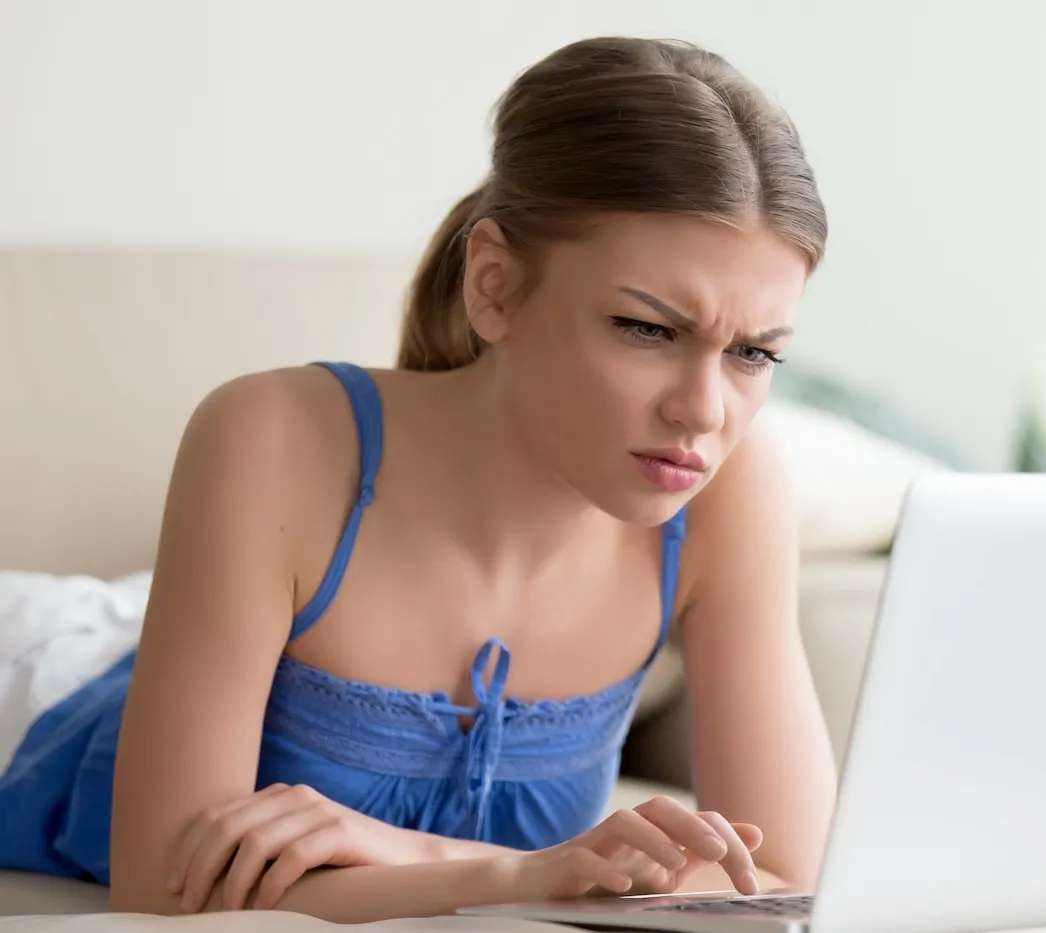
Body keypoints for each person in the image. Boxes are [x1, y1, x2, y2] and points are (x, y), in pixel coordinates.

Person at [0, 35, 837, 923]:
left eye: (752, 352)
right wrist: (521, 874)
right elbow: (163, 885)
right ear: (495, 285)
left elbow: (791, 873)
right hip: (41, 667)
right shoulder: (270, 437)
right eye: (646, 328)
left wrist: (452, 859)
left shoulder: (733, 486)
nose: (704, 412)